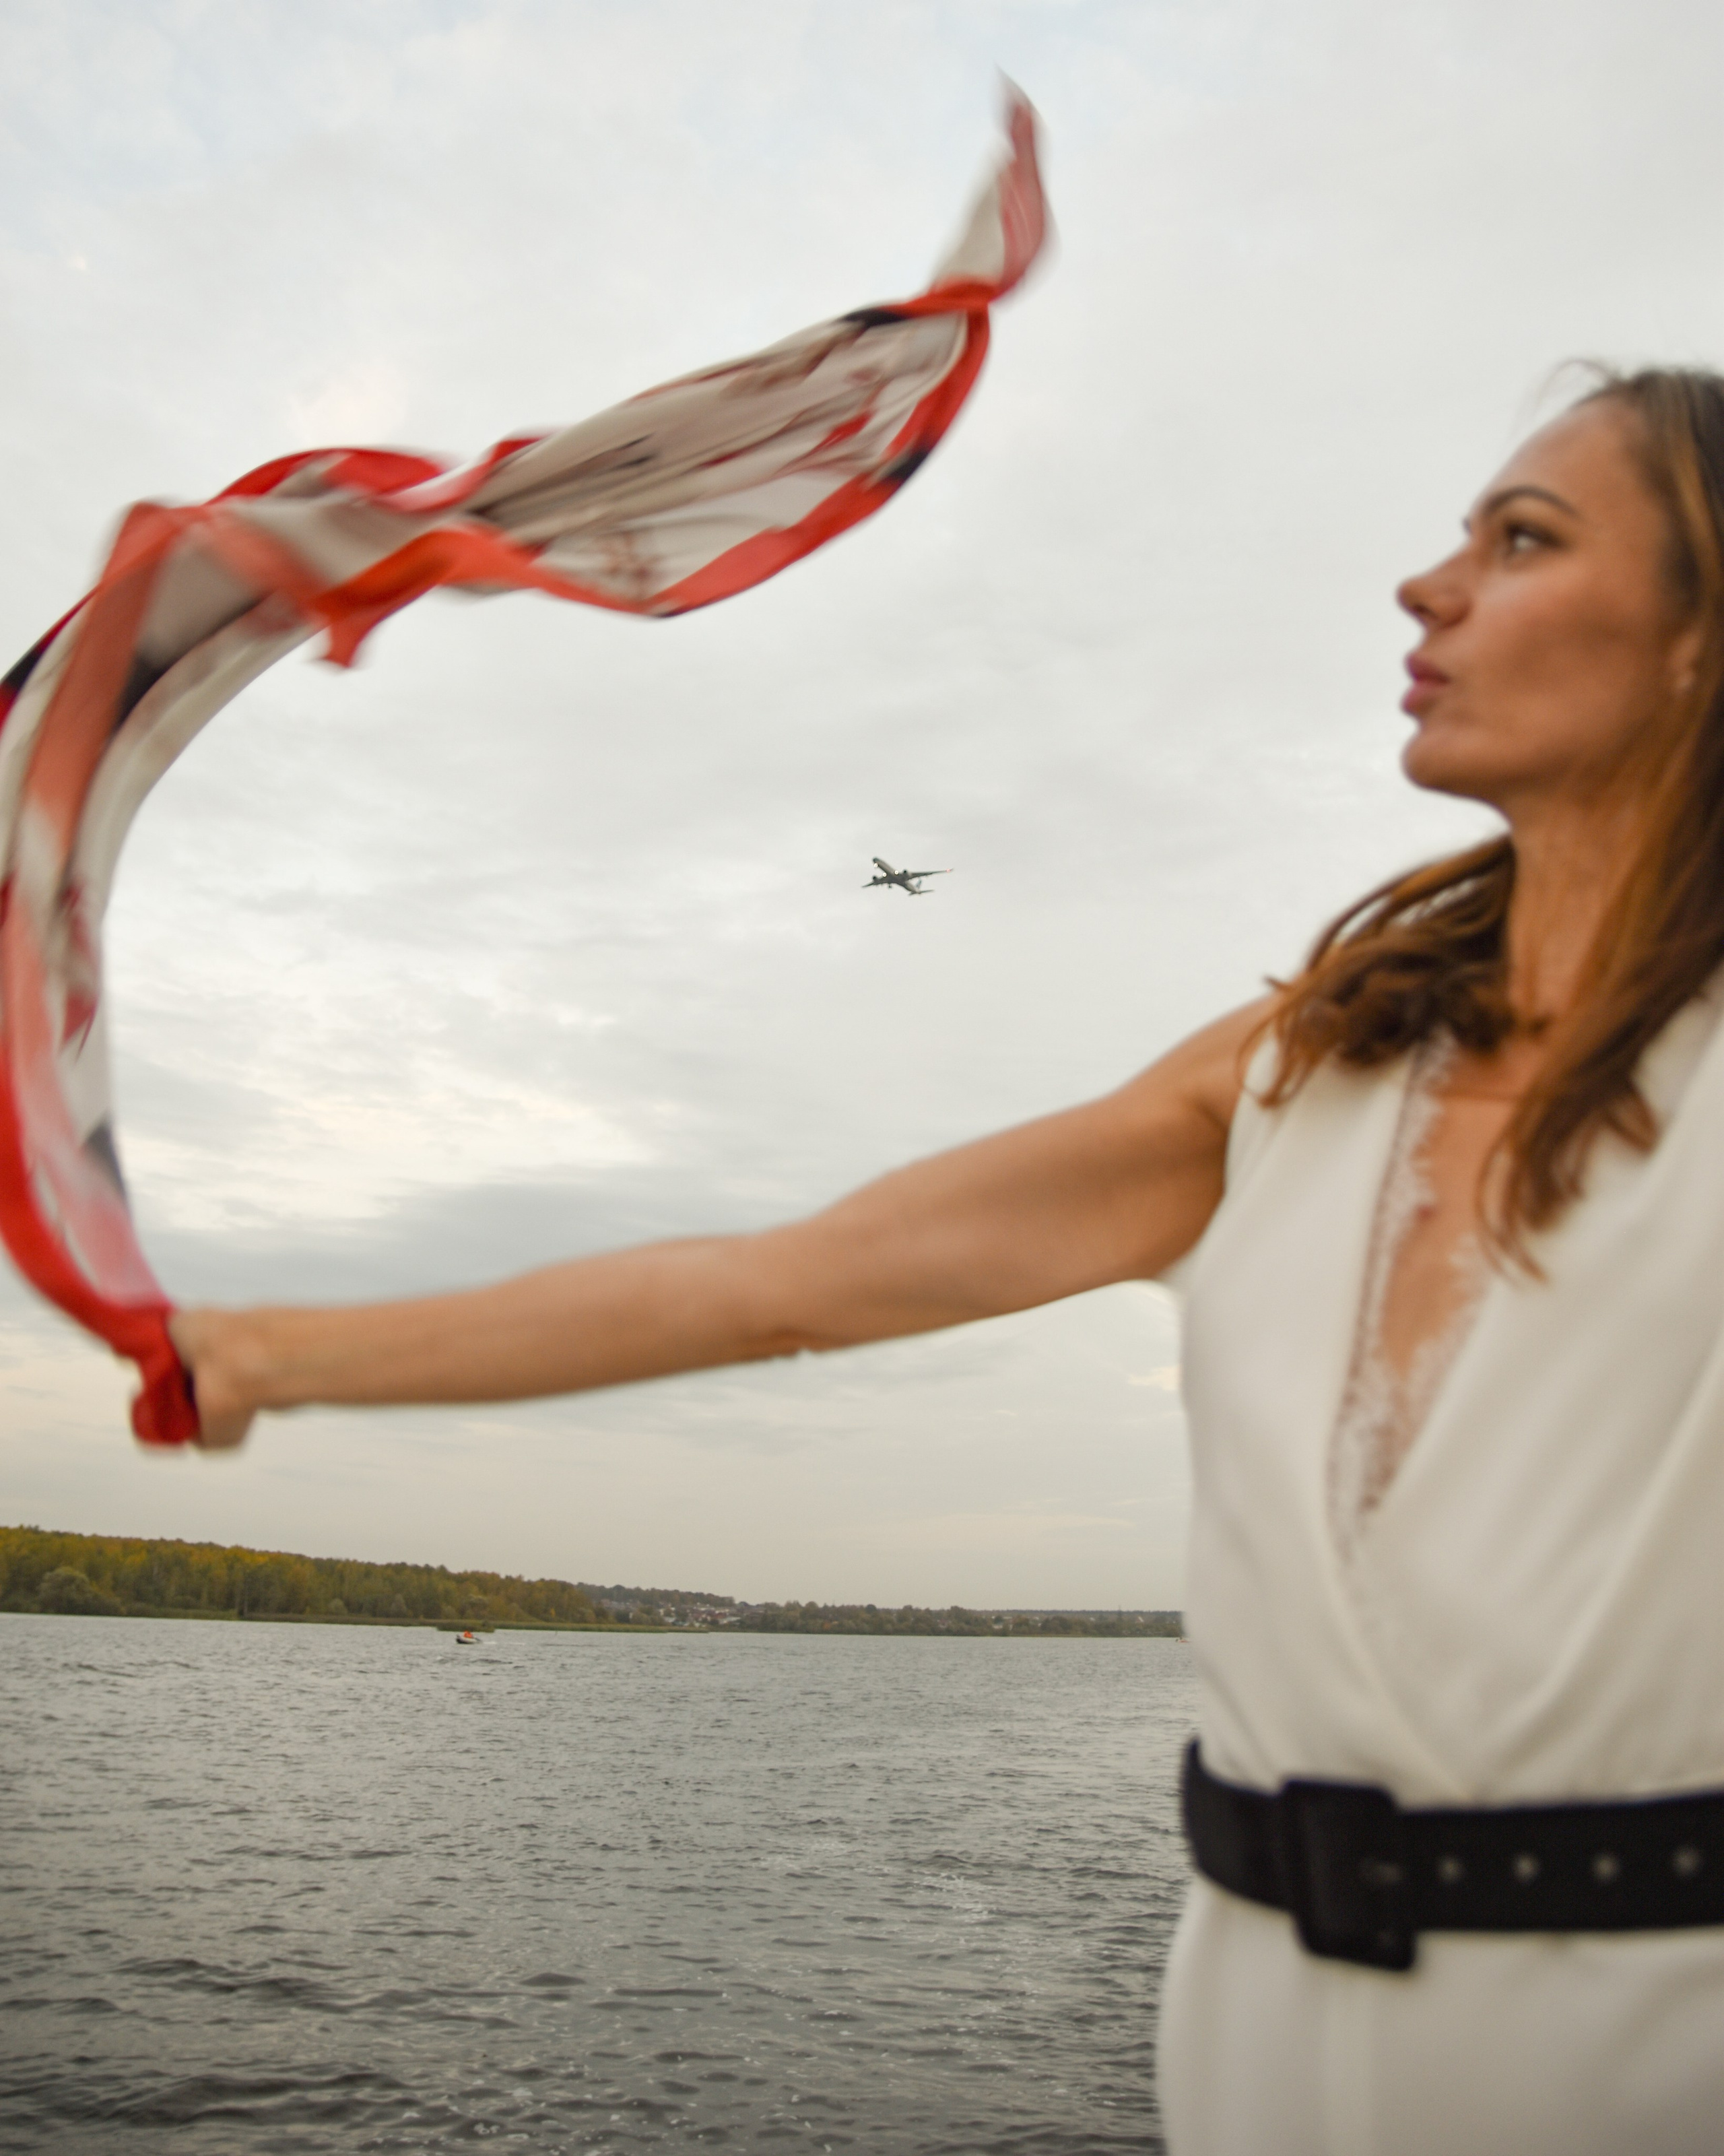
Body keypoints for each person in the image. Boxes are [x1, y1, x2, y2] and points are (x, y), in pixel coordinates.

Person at [170, 366, 1724, 2153]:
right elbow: (786, 1281)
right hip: (1256, 2059)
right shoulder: (1297, 1065)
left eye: (1522, 540)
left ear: (1701, 637)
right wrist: (268, 1354)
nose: (1426, 584)